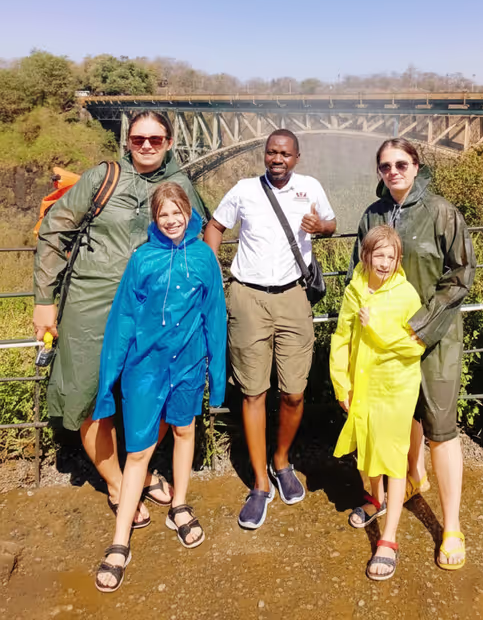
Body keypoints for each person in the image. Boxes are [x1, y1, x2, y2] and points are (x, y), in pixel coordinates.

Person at [32, 111, 208, 526]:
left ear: (168, 141)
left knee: (155, 392)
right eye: (137, 138)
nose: (146, 145)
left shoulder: (180, 185)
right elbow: (55, 231)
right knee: (89, 394)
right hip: (93, 302)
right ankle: (118, 482)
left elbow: (196, 241)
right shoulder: (101, 177)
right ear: (127, 140)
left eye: (155, 138)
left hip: (153, 311)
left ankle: (138, 471)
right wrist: (44, 299)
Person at [93, 182, 226, 593]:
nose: (171, 220)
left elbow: (215, 318)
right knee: (138, 453)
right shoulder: (142, 259)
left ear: (189, 214)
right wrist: (107, 381)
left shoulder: (204, 258)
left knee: (185, 430)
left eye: (177, 212)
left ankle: (179, 505)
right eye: (163, 214)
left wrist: (216, 380)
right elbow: (122, 321)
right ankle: (119, 541)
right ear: (154, 218)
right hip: (145, 368)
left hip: (188, 364)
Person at [350, 138, 476, 570]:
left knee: (440, 426)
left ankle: (452, 526)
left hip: (434, 338)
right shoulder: (373, 215)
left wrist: (420, 327)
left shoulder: (441, 211)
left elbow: (461, 275)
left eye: (400, 163)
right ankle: (412, 478)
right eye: (385, 166)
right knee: (398, 418)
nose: (393, 172)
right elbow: (357, 277)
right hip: (384, 342)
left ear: (416, 164)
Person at [204, 129, 336, 529]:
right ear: (265, 155)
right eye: (271, 152)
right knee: (253, 392)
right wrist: (212, 273)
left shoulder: (309, 186)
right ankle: (260, 482)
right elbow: (214, 227)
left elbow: (331, 223)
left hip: (294, 296)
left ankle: (281, 460)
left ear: (297, 157)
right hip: (248, 297)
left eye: (285, 153)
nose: (277, 158)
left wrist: (321, 227)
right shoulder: (244, 189)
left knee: (294, 392)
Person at [331, 225, 425, 580]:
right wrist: (342, 384)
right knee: (367, 448)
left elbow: (414, 346)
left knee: (393, 456)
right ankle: (377, 499)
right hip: (362, 384)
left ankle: (388, 539)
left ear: (398, 259)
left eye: (391, 256)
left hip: (395, 388)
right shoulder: (355, 289)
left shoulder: (406, 295)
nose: (384, 263)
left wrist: (377, 331)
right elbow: (342, 337)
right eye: (378, 255)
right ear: (365, 256)